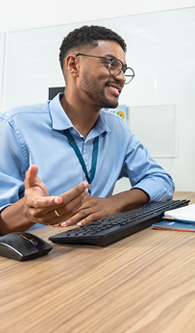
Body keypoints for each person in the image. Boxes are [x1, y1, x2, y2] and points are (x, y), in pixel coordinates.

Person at [0, 25, 175, 235]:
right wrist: (28, 212)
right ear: (74, 65)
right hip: (38, 256)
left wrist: (113, 203)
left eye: (123, 70)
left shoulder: (117, 128)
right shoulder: (16, 126)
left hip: (96, 250)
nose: (120, 77)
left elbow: (161, 180)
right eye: (111, 64)